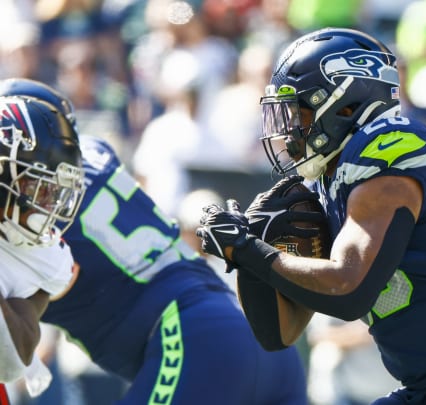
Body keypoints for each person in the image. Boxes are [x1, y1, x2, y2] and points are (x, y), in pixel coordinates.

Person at [197, 27, 426, 404]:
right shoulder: (329, 182)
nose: (291, 129)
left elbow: (349, 289)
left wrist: (248, 251)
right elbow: (279, 333)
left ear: (344, 104)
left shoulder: (391, 145)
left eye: (300, 111)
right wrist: (247, 258)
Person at [0, 78, 309, 405]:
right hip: (252, 333)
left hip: (192, 341)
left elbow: (11, 349)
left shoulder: (37, 207)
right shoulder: (90, 158)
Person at [0, 95, 85, 395]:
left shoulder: (46, 256)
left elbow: (9, 357)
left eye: (55, 191)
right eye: (39, 187)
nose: (49, 205)